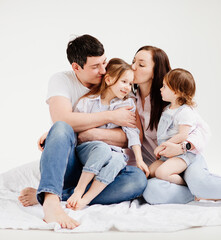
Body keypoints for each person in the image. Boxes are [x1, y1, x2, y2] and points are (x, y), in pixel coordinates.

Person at [79, 45, 221, 205]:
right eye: (133, 61)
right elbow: (114, 126)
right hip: (161, 166)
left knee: (199, 180)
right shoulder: (126, 100)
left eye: (141, 64)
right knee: (152, 193)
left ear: (156, 71)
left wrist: (182, 147)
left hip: (185, 157)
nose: (133, 68)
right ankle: (204, 192)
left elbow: (202, 131)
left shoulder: (171, 99)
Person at [18, 35, 147, 229]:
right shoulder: (63, 81)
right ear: (76, 67)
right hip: (74, 161)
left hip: (105, 167)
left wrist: (93, 134)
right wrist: (111, 117)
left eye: (104, 63)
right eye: (95, 67)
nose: (103, 71)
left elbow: (132, 136)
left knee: (137, 180)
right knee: (60, 128)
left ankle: (57, 194)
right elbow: (63, 120)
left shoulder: (120, 87)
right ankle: (51, 203)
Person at [66, 58, 149, 211]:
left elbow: (132, 132)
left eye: (130, 84)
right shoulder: (87, 102)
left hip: (112, 153)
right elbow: (73, 127)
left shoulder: (126, 105)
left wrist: (139, 159)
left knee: (118, 159)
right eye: (124, 82)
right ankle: (79, 189)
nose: (127, 87)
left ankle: (86, 199)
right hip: (87, 151)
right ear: (109, 79)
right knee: (102, 149)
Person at [149, 68, 206, 186]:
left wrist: (163, 146)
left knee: (161, 173)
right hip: (167, 155)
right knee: (151, 171)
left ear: (176, 91)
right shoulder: (167, 109)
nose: (161, 89)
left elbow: (183, 135)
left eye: (164, 86)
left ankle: (188, 186)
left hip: (182, 155)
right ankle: (175, 178)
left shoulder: (185, 112)